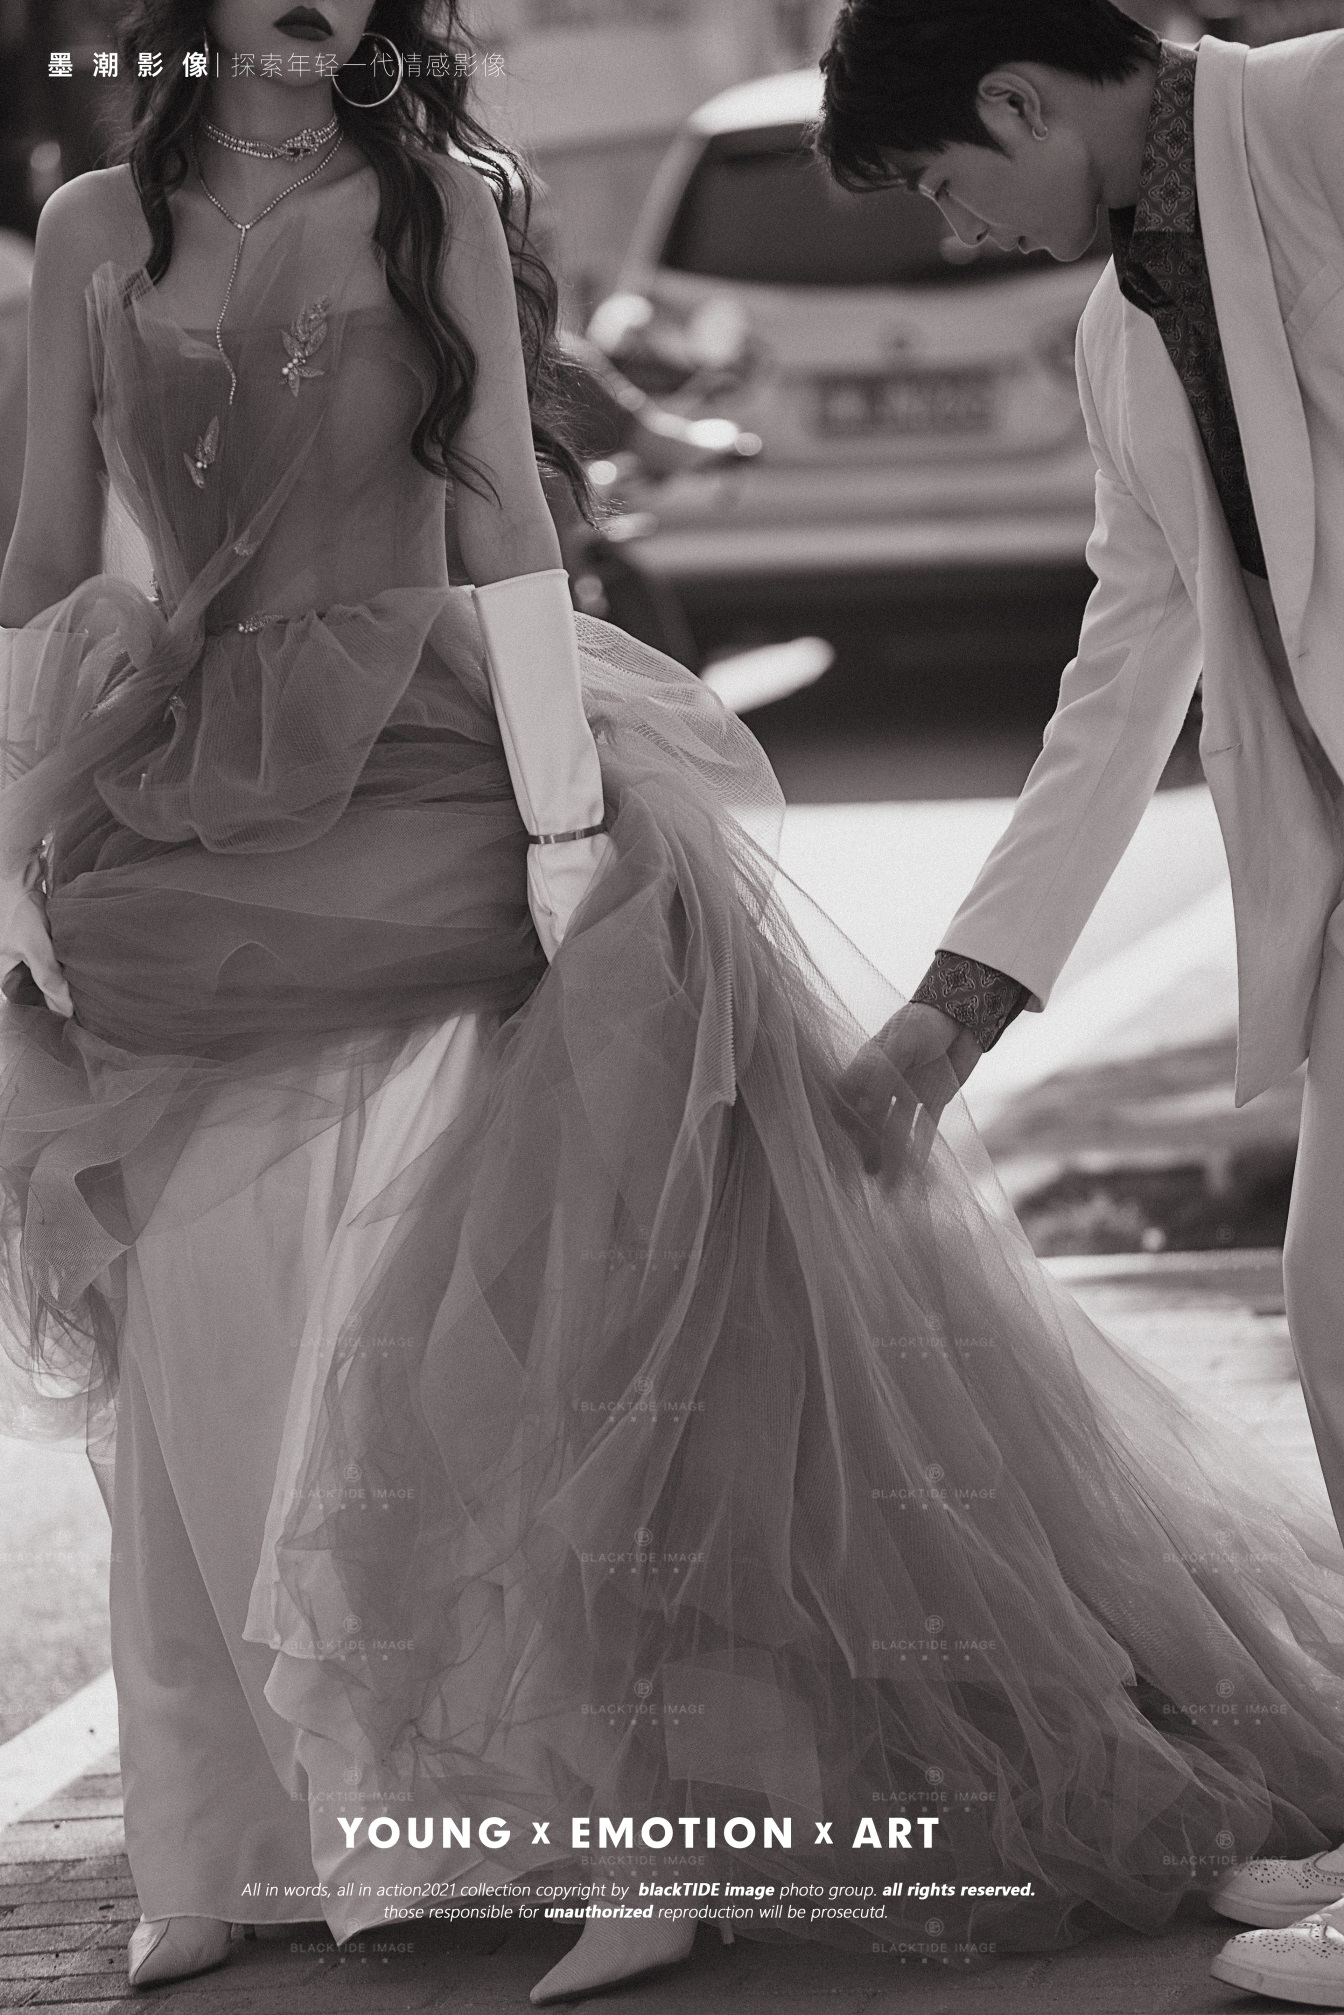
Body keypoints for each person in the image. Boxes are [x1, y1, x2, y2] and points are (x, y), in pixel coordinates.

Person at [6, 2, 1344, 2006]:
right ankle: (239, 1834)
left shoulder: (433, 202)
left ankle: (612, 1821)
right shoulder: (96, 226)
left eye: (946, 189)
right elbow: (43, 550)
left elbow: (503, 513)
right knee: (207, 1317)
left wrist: (563, 817)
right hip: (181, 790)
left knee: (533, 1319)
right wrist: (9, 815)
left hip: (446, 754)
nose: (954, 244)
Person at [820, 0, 1344, 2002]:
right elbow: (1127, 668)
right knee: (1335, 1322)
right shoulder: (1123, 331)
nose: (961, 235)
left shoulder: (1328, 111)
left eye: (949, 185)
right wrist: (953, 1013)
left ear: (1023, 98)